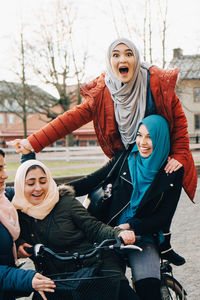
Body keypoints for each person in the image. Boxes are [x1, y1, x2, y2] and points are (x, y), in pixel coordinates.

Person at [9, 37, 196, 202]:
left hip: (153, 159)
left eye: (128, 54)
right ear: (109, 61)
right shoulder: (103, 93)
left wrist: (180, 154)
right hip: (125, 156)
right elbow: (70, 119)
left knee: (149, 208)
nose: (122, 59)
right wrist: (33, 142)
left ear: (136, 58)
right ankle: (61, 194)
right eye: (116, 55)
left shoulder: (156, 84)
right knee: (99, 187)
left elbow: (179, 121)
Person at [68, 115, 185, 300]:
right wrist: (57, 191)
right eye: (140, 135)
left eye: (150, 137)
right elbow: (91, 181)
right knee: (113, 289)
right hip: (110, 235)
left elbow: (163, 218)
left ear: (161, 138)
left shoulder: (172, 172)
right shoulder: (124, 159)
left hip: (143, 238)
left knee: (149, 291)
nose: (143, 142)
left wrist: (131, 226)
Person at [11, 154, 139, 300]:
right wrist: (19, 243)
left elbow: (95, 228)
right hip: (55, 278)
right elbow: (10, 235)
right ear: (21, 185)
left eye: (43, 181)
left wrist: (119, 233)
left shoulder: (65, 202)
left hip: (91, 268)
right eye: (30, 183)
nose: (38, 188)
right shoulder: (17, 212)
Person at [0, 149, 55, 300]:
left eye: (3, 167)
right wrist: (25, 279)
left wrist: (28, 156)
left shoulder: (4, 198)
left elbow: (26, 185)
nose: (5, 175)